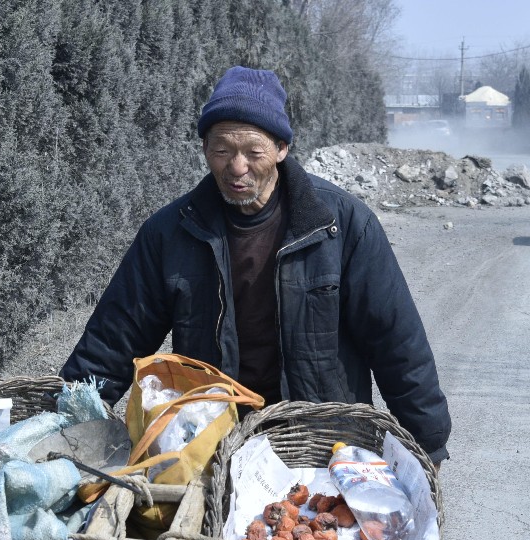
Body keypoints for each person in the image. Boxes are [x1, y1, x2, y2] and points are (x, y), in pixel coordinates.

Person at [60, 65, 451, 466]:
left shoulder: (341, 225)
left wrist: (427, 445)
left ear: (281, 149)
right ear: (204, 149)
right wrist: (61, 427)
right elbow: (113, 342)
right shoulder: (170, 233)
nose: (236, 167)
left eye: (253, 152)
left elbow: (397, 343)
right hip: (213, 444)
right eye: (222, 151)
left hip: (321, 444)